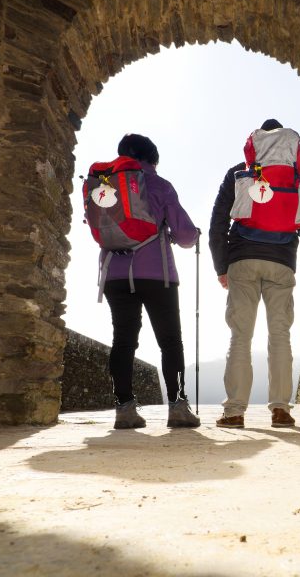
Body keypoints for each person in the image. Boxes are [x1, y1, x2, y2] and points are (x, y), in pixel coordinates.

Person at [208, 119, 300, 428]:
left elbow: (218, 222)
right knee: (280, 335)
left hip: (242, 261)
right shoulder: (294, 178)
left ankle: (234, 412)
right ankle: (281, 410)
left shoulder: (240, 173)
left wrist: (221, 266)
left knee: (240, 335)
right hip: (282, 263)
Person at [101, 133, 201, 429]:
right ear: (153, 158)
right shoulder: (160, 185)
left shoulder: (105, 185)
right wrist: (193, 234)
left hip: (114, 274)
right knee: (170, 341)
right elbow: (184, 235)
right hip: (157, 275)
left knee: (123, 340)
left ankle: (124, 410)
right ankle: (178, 408)